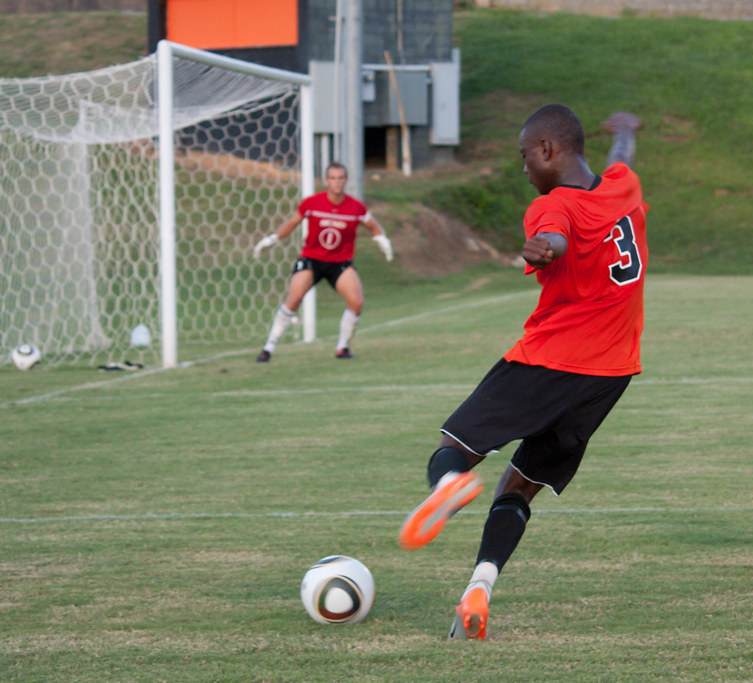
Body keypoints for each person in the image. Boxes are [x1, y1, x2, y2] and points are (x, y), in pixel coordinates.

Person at [397, 105, 648, 639]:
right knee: (522, 484)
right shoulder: (623, 184)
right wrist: (625, 132)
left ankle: (448, 485)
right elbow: (620, 161)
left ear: (548, 151)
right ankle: (480, 587)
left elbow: (553, 235)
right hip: (611, 375)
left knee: (454, 443)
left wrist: (547, 248)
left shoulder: (549, 207)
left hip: (551, 361)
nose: (524, 169)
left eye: (524, 156)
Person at [252, 162, 393, 362]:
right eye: (333, 178)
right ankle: (268, 347)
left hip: (340, 263)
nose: (337, 182)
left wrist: (381, 239)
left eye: (341, 178)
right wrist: (273, 239)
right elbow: (292, 223)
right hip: (312, 260)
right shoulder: (312, 203)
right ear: (326, 181)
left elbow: (374, 226)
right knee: (293, 299)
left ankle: (342, 347)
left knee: (356, 302)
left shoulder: (356, 207)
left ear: (346, 180)